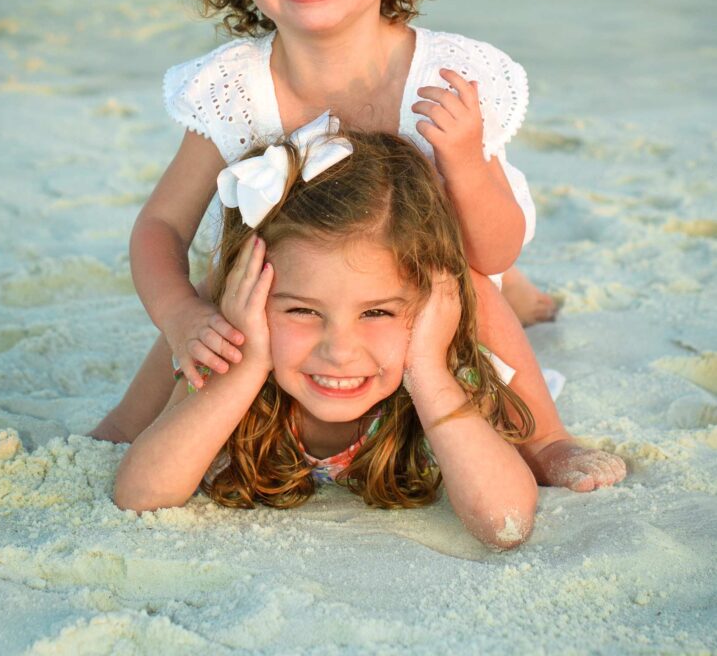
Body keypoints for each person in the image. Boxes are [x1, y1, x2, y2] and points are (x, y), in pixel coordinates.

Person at [94, 0, 625, 493]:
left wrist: (464, 163)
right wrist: (182, 314)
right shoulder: (236, 89)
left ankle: (548, 435)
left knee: (472, 278)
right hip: (314, 281)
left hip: (439, 254)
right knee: (222, 286)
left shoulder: (444, 76)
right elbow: (160, 225)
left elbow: (489, 245)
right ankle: (130, 420)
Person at [114, 120, 540, 550]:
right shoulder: (227, 359)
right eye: (302, 310)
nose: (339, 350)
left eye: (376, 312)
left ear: (428, 308)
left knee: (486, 290)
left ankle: (521, 293)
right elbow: (140, 494)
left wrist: (428, 370)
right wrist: (247, 370)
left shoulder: (447, 373)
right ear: (250, 298)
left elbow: (505, 523)